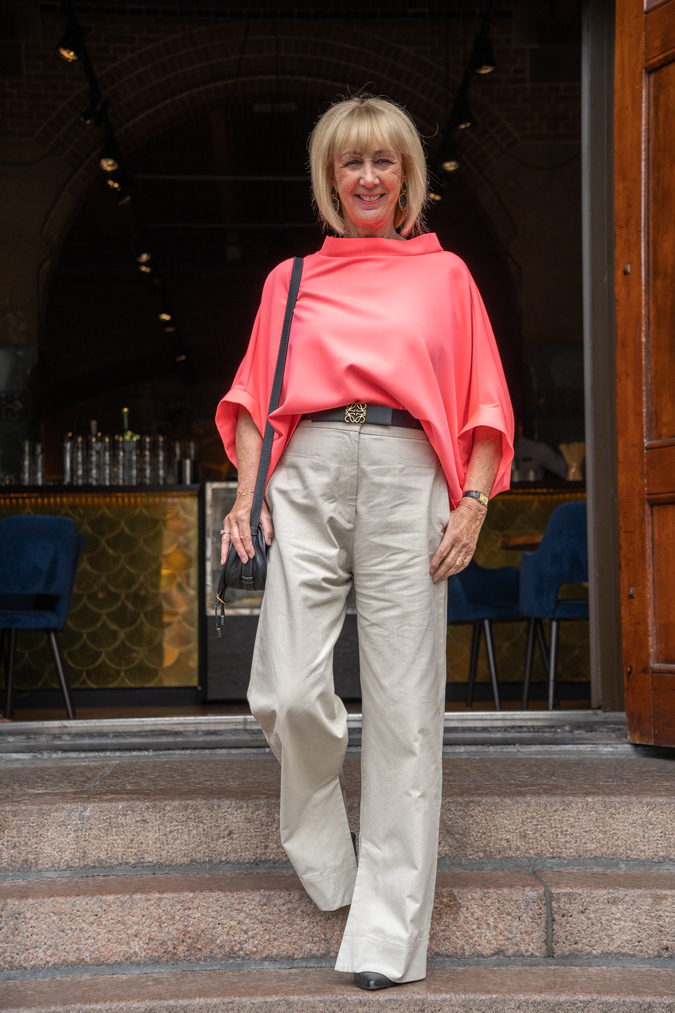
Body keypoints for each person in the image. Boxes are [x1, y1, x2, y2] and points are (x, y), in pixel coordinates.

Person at [216, 95, 513, 991]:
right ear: (328, 179)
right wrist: (244, 494)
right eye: (351, 163)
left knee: (402, 710)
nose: (368, 178)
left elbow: (482, 402)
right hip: (303, 471)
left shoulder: (447, 277)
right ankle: (329, 857)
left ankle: (386, 934)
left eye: (384, 161)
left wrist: (471, 500)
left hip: (405, 474)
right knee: (285, 688)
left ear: (408, 176)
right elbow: (258, 401)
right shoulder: (290, 279)